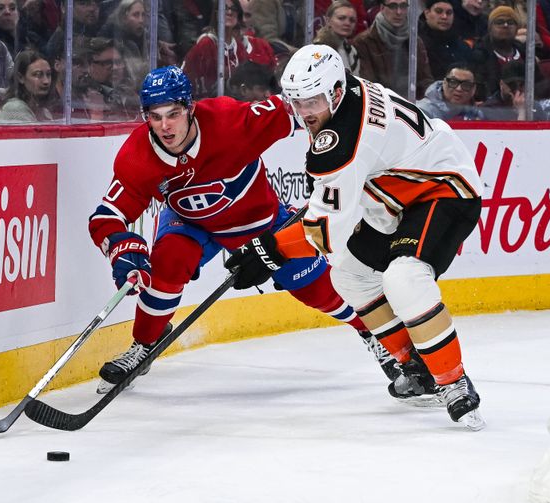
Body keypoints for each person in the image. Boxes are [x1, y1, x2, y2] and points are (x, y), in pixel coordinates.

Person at [89, 65, 397, 393]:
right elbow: (105, 217)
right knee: (168, 260)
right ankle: (145, 346)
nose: (165, 126)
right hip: (189, 222)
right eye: (155, 116)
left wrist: (357, 118)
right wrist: (119, 247)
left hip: (257, 221)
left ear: (190, 108)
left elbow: (301, 104)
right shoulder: (137, 156)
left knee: (316, 287)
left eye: (174, 114)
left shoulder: (231, 121)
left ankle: (377, 335)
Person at [225, 44, 485, 429]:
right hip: (396, 196)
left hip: (446, 189)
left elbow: (326, 232)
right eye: (296, 101)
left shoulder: (343, 138)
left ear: (333, 91)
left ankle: (454, 382)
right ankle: (415, 367)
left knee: (404, 277)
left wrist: (272, 249)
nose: (304, 112)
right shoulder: (345, 94)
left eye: (312, 100)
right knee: (347, 274)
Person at [182, 0, 277, 98]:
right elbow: (195, 83)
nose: (229, 12)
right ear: (216, 13)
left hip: (233, 105)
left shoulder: (238, 46)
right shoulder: (207, 43)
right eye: (225, 8)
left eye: (233, 9)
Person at [352, 0, 434, 99]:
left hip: (414, 104)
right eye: (393, 6)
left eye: (403, 6)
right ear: (382, 8)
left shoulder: (414, 40)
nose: (399, 12)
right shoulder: (364, 42)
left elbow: (425, 80)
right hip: (383, 103)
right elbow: (369, 85)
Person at [0, 49, 54, 123]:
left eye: (48, 74)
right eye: (38, 75)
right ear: (20, 78)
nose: (46, 81)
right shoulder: (15, 108)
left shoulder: (44, 111)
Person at [418, 0, 472, 80]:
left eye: (449, 13)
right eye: (438, 12)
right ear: (427, 13)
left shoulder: (462, 46)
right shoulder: (417, 43)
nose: (444, 17)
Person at [417, 63, 484, 120]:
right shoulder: (422, 111)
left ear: (474, 89)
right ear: (444, 83)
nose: (459, 89)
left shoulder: (478, 115)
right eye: (453, 82)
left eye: (466, 85)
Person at [312, 0, 361, 75]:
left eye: (352, 20)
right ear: (328, 21)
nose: (347, 23)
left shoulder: (352, 51)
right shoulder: (318, 49)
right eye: (341, 18)